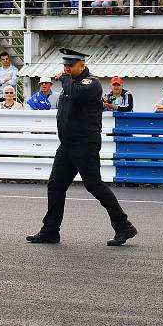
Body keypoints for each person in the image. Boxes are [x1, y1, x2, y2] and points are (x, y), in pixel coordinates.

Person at [26, 49, 136, 246]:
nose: (66, 69)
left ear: (82, 66)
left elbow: (76, 95)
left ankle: (124, 226)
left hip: (85, 144)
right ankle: (50, 230)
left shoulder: (90, 83)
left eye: (70, 66)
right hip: (67, 145)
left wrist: (65, 79)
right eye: (65, 66)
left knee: (94, 185)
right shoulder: (71, 84)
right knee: (56, 186)